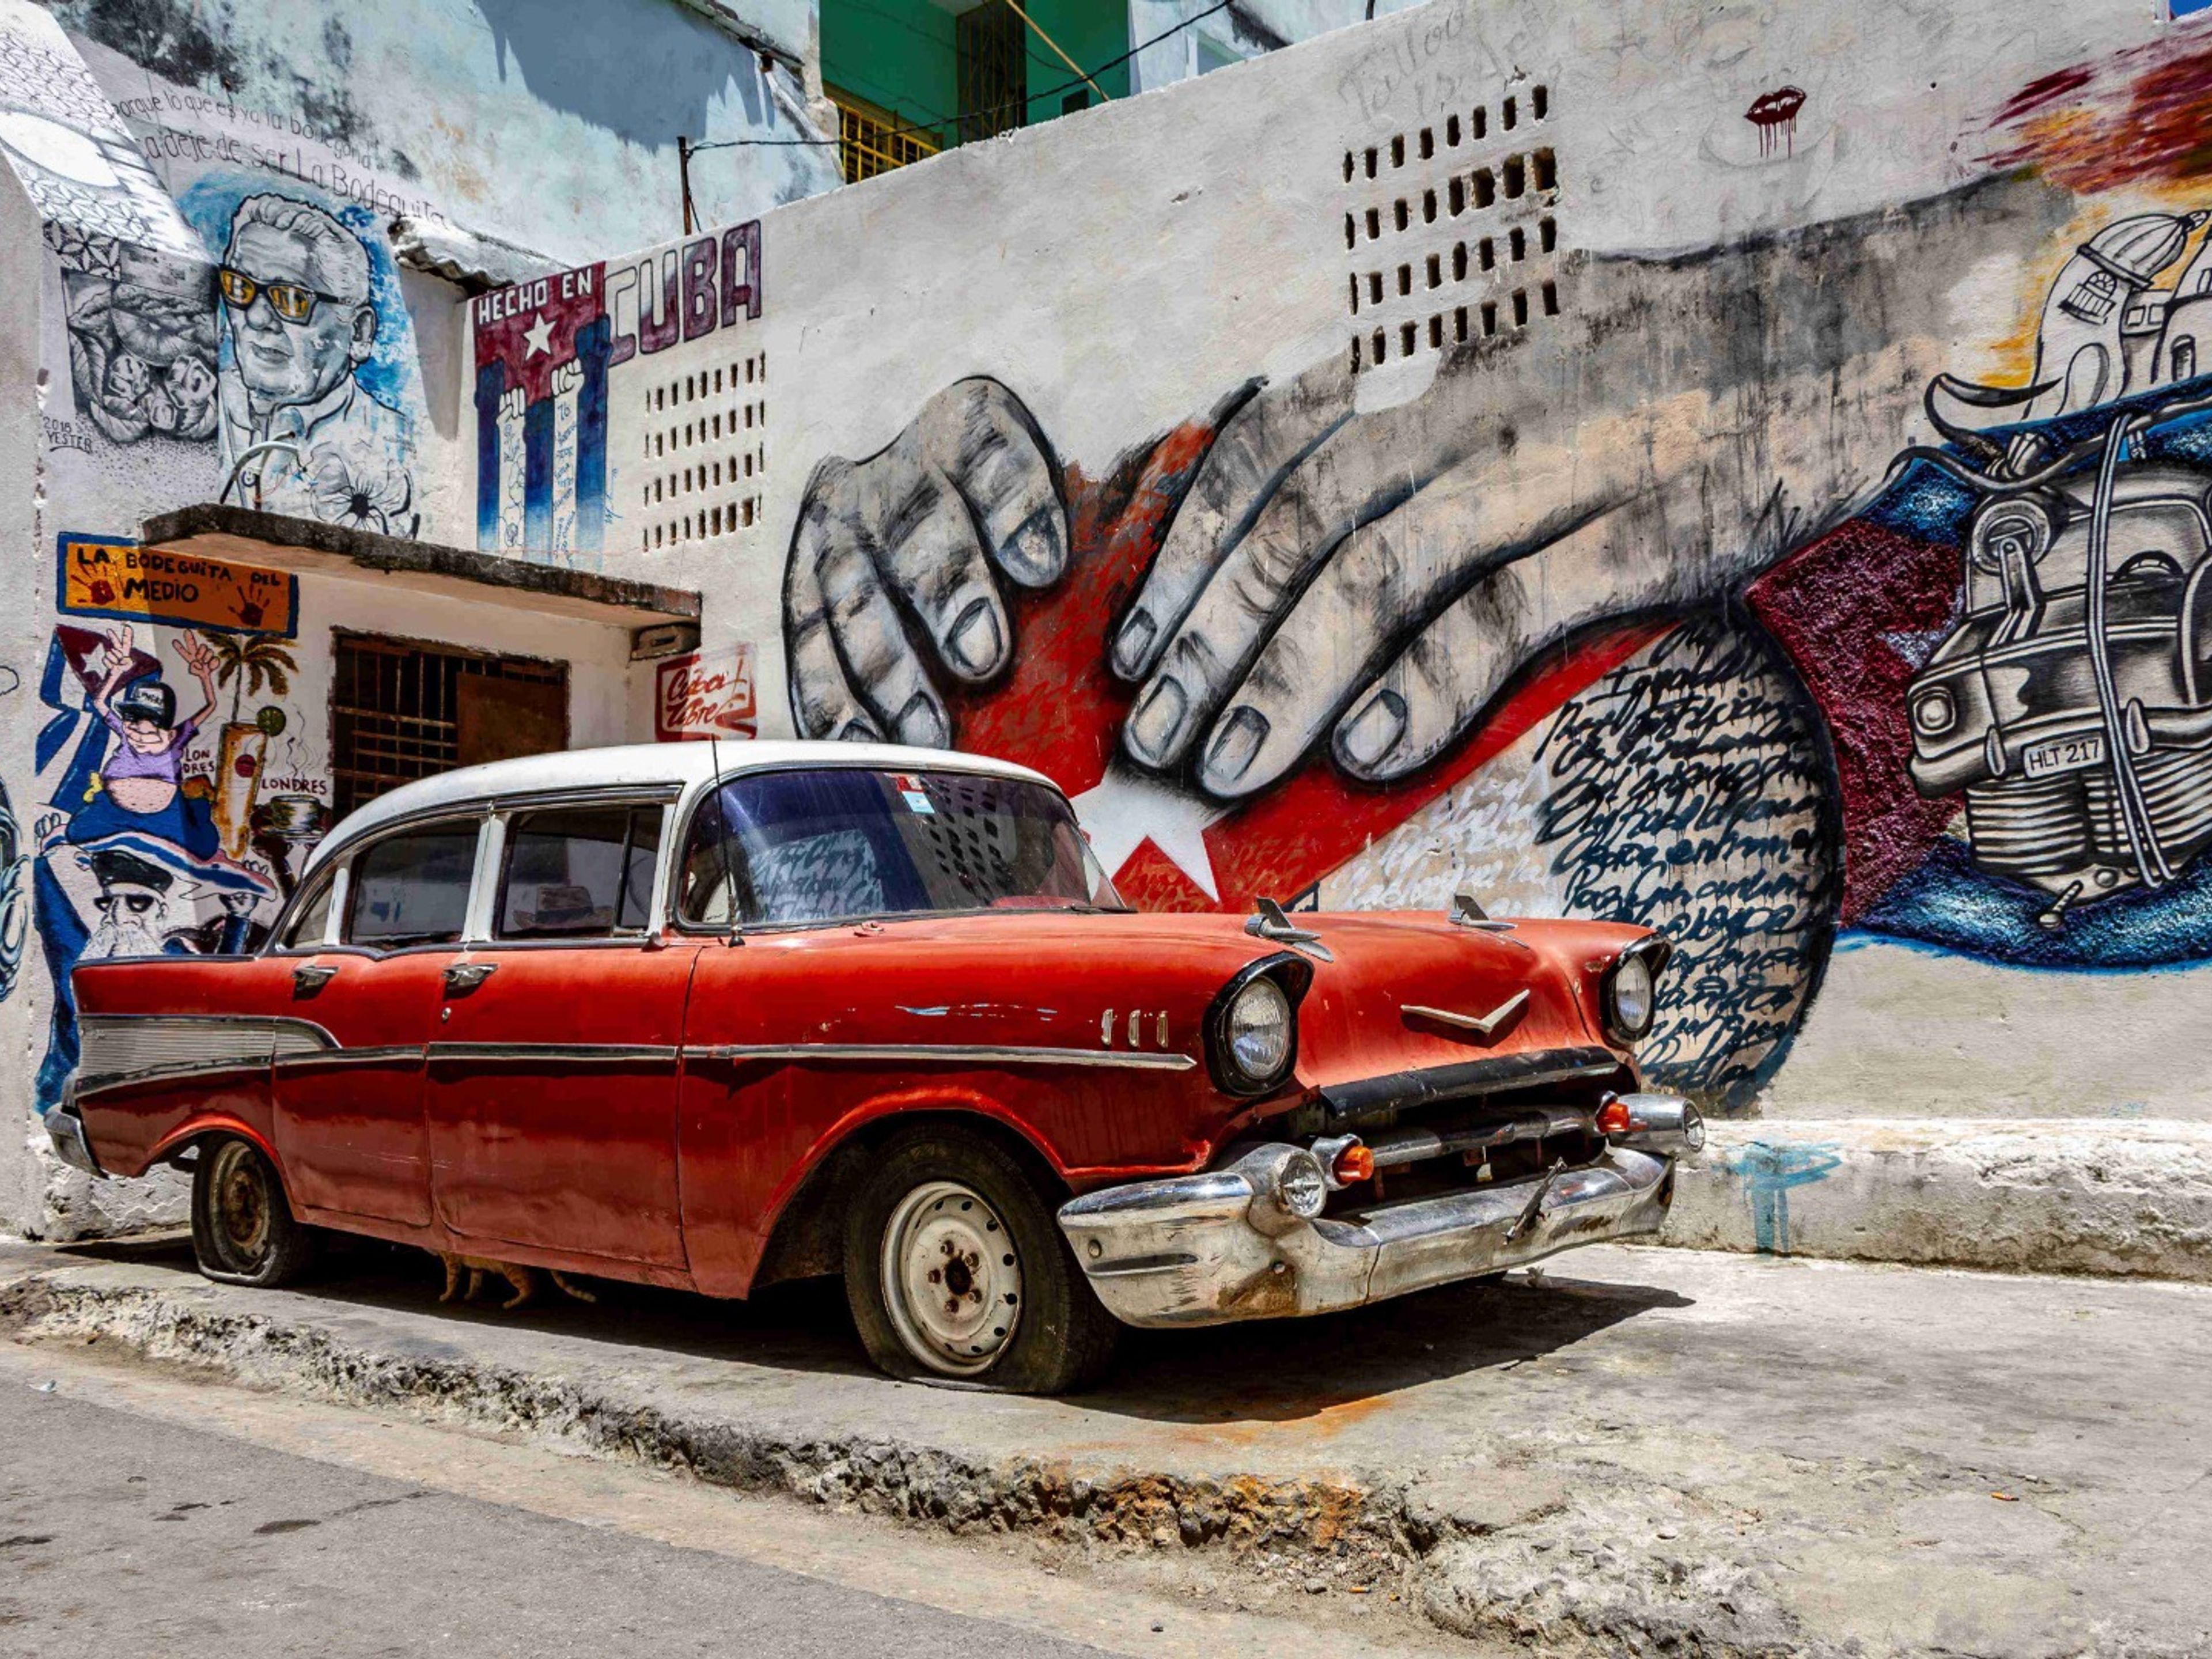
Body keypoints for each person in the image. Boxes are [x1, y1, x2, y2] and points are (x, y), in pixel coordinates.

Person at [213, 193, 415, 529]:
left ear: (359, 332)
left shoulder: (401, 443)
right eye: (239, 287)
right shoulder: (200, 406)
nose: (256, 318)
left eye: (291, 298)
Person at [68, 623, 221, 860]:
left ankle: (195, 807)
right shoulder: (126, 733)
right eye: (133, 722)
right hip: (115, 809)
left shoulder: (176, 740)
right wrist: (115, 674)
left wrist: (205, 678)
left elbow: (210, 707)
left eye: (148, 728)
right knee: (78, 832)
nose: (138, 734)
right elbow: (100, 703)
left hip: (164, 812)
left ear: (169, 733)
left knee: (203, 846)